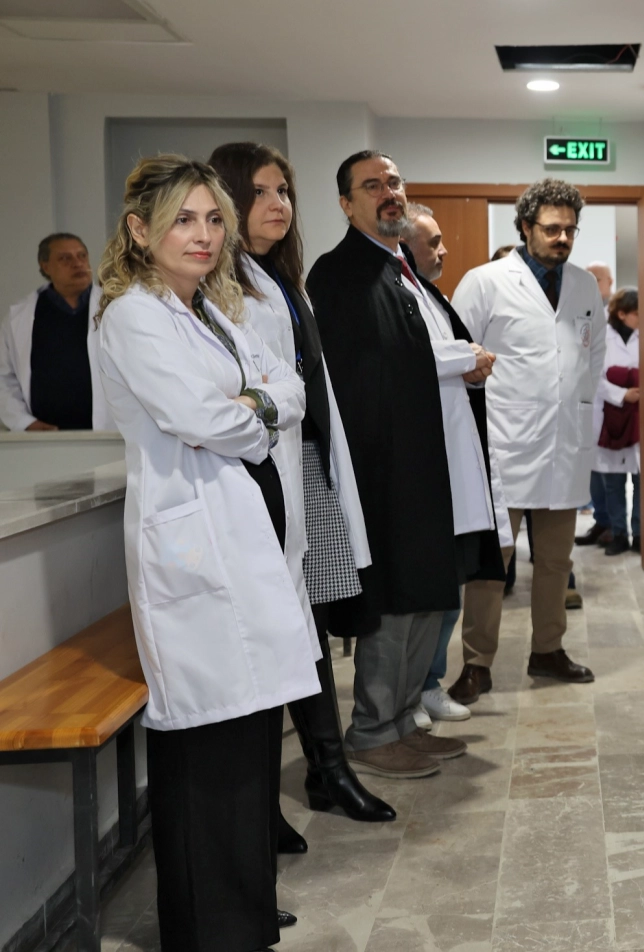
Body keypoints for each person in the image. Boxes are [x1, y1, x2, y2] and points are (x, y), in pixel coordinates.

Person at [97, 155, 312, 949]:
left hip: (241, 530)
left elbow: (289, 385)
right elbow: (203, 420)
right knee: (208, 748)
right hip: (192, 542)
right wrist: (254, 412)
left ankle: (242, 914)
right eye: (184, 219)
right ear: (139, 229)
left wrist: (251, 403)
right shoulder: (132, 315)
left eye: (214, 219)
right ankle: (210, 929)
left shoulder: (211, 312)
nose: (205, 234)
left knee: (247, 738)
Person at [209, 142, 396, 830]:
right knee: (281, 631)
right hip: (258, 477)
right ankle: (288, 792)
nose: (278, 204)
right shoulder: (221, 286)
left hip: (306, 467)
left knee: (308, 624)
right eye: (260, 192)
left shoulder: (282, 280)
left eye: (284, 191)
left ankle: (327, 769)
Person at [305, 150, 488, 778]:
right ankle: (373, 730)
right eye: (371, 185)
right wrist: (461, 360)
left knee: (428, 595)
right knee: (395, 600)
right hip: (386, 470)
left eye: (394, 182)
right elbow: (368, 370)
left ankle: (405, 719)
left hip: (427, 464)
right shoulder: (340, 273)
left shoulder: (399, 268)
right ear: (346, 203)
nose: (389, 192)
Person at [447, 177, 604, 702]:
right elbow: (456, 354)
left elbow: (593, 356)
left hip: (564, 444)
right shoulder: (485, 282)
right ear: (525, 227)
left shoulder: (584, 285)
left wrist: (584, 413)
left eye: (570, 230)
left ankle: (548, 650)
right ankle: (477, 663)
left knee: (556, 561)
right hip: (505, 443)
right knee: (493, 563)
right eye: (552, 228)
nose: (563, 238)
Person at [400, 201, 510, 724]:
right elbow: (407, 357)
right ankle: (412, 690)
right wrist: (468, 358)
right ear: (404, 247)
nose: (444, 251)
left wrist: (471, 365)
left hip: (457, 456)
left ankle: (428, 684)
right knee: (427, 590)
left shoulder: (432, 297)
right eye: (433, 242)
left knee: (451, 585)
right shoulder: (397, 296)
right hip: (423, 464)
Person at [0, 233, 109, 431]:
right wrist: (24, 423)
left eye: (82, 256)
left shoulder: (114, 307)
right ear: (45, 266)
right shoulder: (19, 317)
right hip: (45, 437)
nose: (77, 264)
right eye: (65, 258)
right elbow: (4, 378)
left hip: (109, 433)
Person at [595, 287, 641, 555]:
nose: (642, 319)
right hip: (610, 418)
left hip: (639, 418)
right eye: (637, 314)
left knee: (641, 480)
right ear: (622, 314)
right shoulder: (603, 337)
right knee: (613, 483)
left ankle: (641, 534)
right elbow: (594, 377)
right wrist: (623, 394)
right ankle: (619, 534)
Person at [578, 260, 615, 547]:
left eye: (597, 278)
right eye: (587, 276)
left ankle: (613, 524)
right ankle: (601, 521)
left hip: (611, 406)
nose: (591, 282)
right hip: (586, 402)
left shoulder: (618, 314)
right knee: (590, 468)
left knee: (609, 473)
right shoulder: (581, 308)